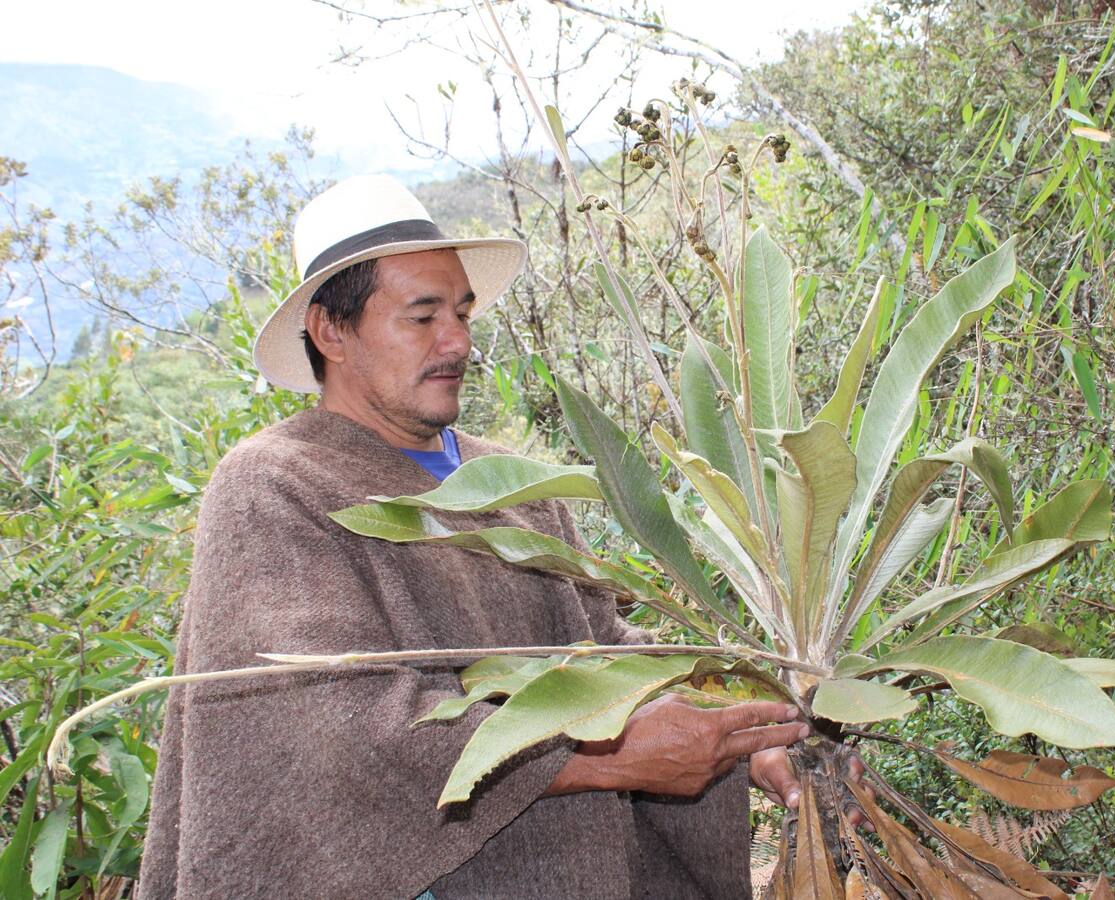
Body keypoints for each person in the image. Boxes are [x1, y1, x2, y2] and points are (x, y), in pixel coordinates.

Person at [139, 174, 815, 899]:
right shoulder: (275, 484)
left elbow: (603, 649)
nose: (457, 340)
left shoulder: (507, 480)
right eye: (421, 317)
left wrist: (745, 733)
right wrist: (612, 757)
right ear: (331, 332)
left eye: (462, 312)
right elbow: (333, 723)